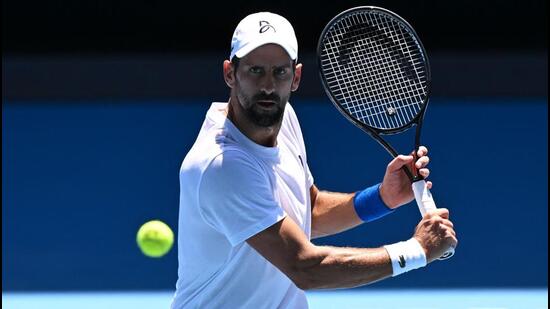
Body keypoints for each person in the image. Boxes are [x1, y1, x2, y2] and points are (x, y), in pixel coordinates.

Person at [171, 12, 457, 309]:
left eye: (279, 72)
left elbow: (309, 211)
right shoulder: (222, 166)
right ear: (230, 73)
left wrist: (382, 198)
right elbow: (305, 267)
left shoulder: (285, 120)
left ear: (295, 77)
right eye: (255, 70)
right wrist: (416, 251)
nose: (268, 86)